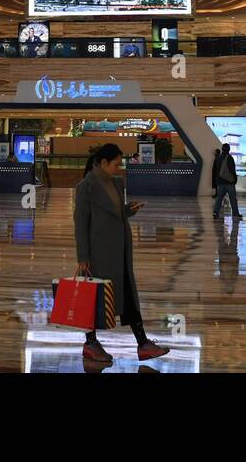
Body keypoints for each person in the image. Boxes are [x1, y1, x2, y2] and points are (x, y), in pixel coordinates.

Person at [73, 143, 170, 364]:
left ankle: (143, 344)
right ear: (103, 162)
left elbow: (116, 213)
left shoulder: (116, 183)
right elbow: (80, 224)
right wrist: (82, 257)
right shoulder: (85, 187)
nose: (118, 168)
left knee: (128, 297)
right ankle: (91, 343)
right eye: (116, 164)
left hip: (121, 252)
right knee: (94, 298)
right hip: (99, 254)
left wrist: (129, 210)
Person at [212, 143, 242, 220]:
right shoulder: (230, 158)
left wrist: (217, 180)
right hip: (229, 183)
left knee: (219, 198)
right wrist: (234, 180)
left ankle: (215, 212)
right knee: (233, 199)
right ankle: (235, 213)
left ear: (222, 149)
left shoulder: (218, 158)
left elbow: (216, 170)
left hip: (220, 182)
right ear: (229, 149)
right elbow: (232, 171)